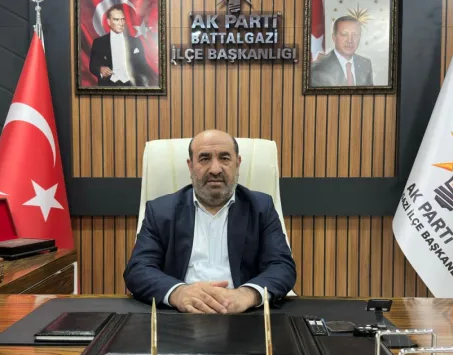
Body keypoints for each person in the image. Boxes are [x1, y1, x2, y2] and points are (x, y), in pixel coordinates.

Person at [124, 130, 297, 314]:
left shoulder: (261, 207)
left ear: (237, 163)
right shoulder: (161, 211)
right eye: (205, 159)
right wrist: (178, 292)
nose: (215, 169)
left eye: (224, 158)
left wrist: (247, 294)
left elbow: (282, 266)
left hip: (243, 315)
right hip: (180, 314)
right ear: (190, 166)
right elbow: (138, 269)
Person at [89, 4, 157, 87]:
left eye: (122, 19)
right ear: (109, 22)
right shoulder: (99, 42)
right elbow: (92, 66)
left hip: (132, 86)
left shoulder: (135, 41)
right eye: (116, 20)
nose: (121, 23)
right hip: (108, 86)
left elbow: (143, 66)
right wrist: (100, 70)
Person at [311, 16, 374, 87]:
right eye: (344, 34)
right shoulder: (318, 68)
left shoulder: (365, 64)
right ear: (334, 37)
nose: (350, 40)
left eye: (355, 34)